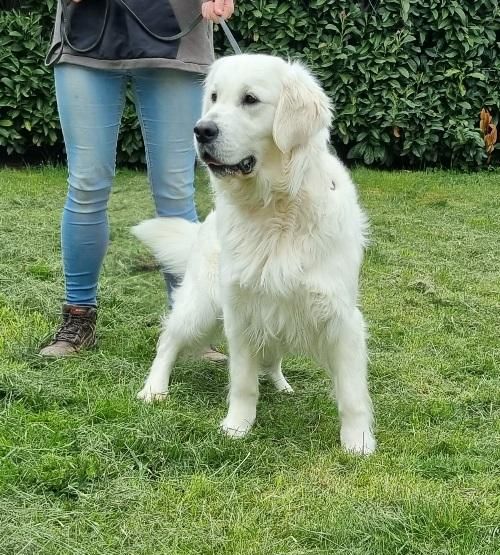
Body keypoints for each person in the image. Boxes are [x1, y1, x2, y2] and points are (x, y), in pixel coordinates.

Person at [40, 0, 235, 358]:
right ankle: (78, 317)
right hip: (84, 34)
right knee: (86, 184)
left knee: (175, 190)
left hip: (176, 32)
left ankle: (192, 324)